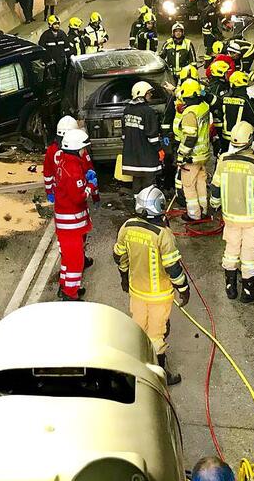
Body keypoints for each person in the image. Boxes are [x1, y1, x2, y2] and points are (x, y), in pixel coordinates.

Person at [114, 185, 190, 385]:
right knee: (157, 334)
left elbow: (119, 255)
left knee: (138, 329)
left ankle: (136, 371)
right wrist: (184, 289)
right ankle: (159, 376)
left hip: (136, 291)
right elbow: (173, 267)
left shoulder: (127, 226)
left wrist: (123, 277)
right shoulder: (163, 235)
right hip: (159, 295)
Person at [211, 121, 254, 303]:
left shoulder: (223, 160)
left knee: (231, 249)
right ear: (251, 140)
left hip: (230, 217)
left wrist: (215, 206)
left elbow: (216, 188)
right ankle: (248, 289)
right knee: (249, 253)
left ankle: (230, 286)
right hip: (251, 218)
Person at [54, 128, 98, 301]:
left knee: (67, 259)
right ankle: (70, 295)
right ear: (76, 149)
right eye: (82, 148)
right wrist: (90, 186)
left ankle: (65, 287)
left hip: (66, 222)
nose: (84, 151)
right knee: (75, 261)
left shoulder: (64, 161)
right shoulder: (72, 170)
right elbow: (79, 197)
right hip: (71, 223)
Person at [121, 82, 164, 209]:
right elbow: (152, 136)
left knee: (137, 180)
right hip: (147, 156)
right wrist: (159, 149)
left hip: (131, 155)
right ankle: (149, 207)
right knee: (148, 181)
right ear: (142, 94)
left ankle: (137, 206)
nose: (150, 95)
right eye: (148, 93)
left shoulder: (127, 110)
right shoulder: (148, 111)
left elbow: (124, 135)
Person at [175, 79, 213, 221]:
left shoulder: (190, 113)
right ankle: (203, 210)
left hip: (191, 157)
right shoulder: (203, 106)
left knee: (189, 186)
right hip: (203, 154)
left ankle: (193, 214)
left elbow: (190, 137)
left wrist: (181, 155)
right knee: (201, 183)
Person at [42, 115, 84, 203]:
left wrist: (49, 191)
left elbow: (47, 173)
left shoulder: (51, 149)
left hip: (59, 190)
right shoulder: (78, 149)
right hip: (75, 189)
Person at [218, 72, 254, 153]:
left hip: (225, 138)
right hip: (240, 139)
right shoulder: (245, 100)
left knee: (223, 158)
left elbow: (219, 115)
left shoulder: (224, 98)